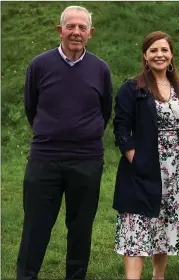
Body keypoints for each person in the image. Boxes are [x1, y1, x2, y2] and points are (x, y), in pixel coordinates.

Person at [18, 5, 112, 279]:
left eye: (82, 27)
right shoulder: (39, 65)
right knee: (36, 226)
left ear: (90, 33)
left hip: (87, 161)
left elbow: (104, 111)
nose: (76, 32)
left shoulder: (100, 69)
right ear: (60, 30)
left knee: (81, 227)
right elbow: (31, 108)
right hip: (44, 160)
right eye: (70, 26)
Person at [112, 31, 179, 279]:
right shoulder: (133, 88)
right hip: (143, 167)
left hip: (174, 171)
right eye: (153, 50)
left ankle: (158, 276)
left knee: (164, 225)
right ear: (145, 56)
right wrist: (134, 158)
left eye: (164, 50)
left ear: (171, 56)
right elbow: (120, 127)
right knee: (137, 226)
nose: (159, 55)